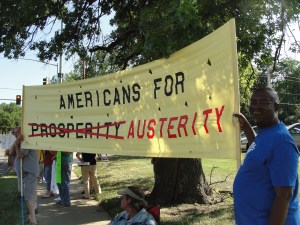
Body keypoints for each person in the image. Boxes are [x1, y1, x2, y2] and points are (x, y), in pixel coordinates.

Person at [233, 87, 300, 225]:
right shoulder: (266, 133)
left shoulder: (281, 141)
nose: (256, 106)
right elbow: (258, 149)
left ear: (276, 106)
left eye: (263, 102)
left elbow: (284, 195)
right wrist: (245, 125)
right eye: (253, 101)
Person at [14, 130, 39, 225]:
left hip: (30, 174)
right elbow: (11, 152)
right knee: (30, 196)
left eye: (17, 131)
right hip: (27, 174)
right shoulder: (24, 141)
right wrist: (16, 142)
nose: (15, 133)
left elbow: (20, 155)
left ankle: (33, 220)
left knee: (30, 197)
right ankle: (31, 218)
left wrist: (16, 144)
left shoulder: (28, 141)